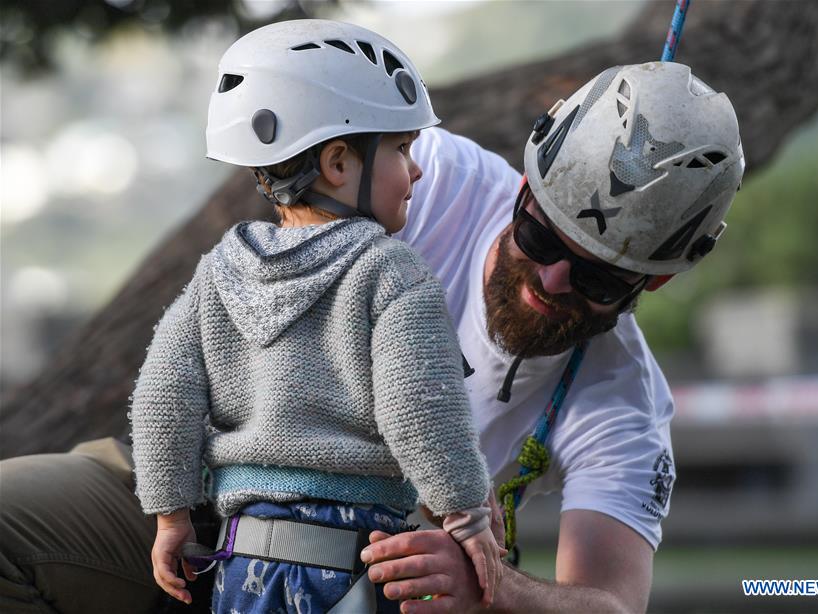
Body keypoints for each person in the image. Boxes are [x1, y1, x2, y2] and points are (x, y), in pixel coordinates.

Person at [0, 58, 742, 614]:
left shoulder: (622, 404)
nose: (549, 283)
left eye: (599, 280)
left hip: (373, 574)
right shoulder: (426, 180)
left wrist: (491, 587)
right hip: (204, 500)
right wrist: (170, 504)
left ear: (656, 285)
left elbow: (610, 603)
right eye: (538, 239)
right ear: (523, 187)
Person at [129, 19, 506, 614]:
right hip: (346, 574)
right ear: (337, 163)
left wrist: (171, 515)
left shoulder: (217, 274)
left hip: (238, 570)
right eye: (403, 149)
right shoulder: (390, 272)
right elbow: (418, 407)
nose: (417, 170)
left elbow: (161, 397)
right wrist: (467, 512)